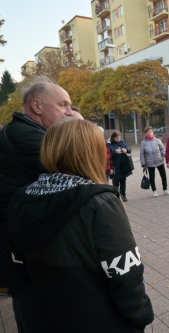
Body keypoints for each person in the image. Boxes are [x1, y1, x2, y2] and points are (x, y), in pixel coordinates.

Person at [8, 119, 154, 332]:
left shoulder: (22, 198)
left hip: (46, 317)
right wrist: (141, 315)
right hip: (99, 319)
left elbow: (19, 265)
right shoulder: (101, 203)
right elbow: (125, 274)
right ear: (91, 152)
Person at [0, 79, 78, 332]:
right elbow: (79, 172)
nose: (68, 111)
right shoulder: (30, 138)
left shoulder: (24, 132)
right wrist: (79, 129)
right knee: (34, 308)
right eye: (63, 104)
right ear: (36, 105)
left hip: (18, 242)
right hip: (20, 247)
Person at [140, 126, 169, 198]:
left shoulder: (157, 140)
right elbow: (142, 154)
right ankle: (154, 191)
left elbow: (162, 150)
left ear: (153, 132)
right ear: (145, 133)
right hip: (150, 163)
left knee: (163, 176)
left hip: (159, 161)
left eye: (150, 131)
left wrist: (168, 157)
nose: (149, 133)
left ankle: (165, 189)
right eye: (147, 132)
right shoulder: (143, 143)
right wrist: (143, 163)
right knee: (152, 177)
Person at [108, 131, 132, 202]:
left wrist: (126, 149)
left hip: (123, 166)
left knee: (123, 181)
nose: (118, 139)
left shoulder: (122, 142)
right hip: (115, 166)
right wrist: (115, 152)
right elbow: (108, 154)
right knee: (115, 183)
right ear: (113, 138)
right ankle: (116, 197)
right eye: (116, 138)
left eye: (119, 138)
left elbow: (129, 148)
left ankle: (123, 196)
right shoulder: (109, 144)